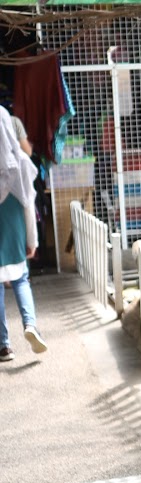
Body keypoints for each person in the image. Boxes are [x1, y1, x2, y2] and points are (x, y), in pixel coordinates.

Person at [0, 105, 48, 362]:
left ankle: (3, 346)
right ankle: (30, 324)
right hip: (14, 220)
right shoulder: (19, 162)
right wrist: (33, 240)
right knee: (20, 277)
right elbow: (29, 204)